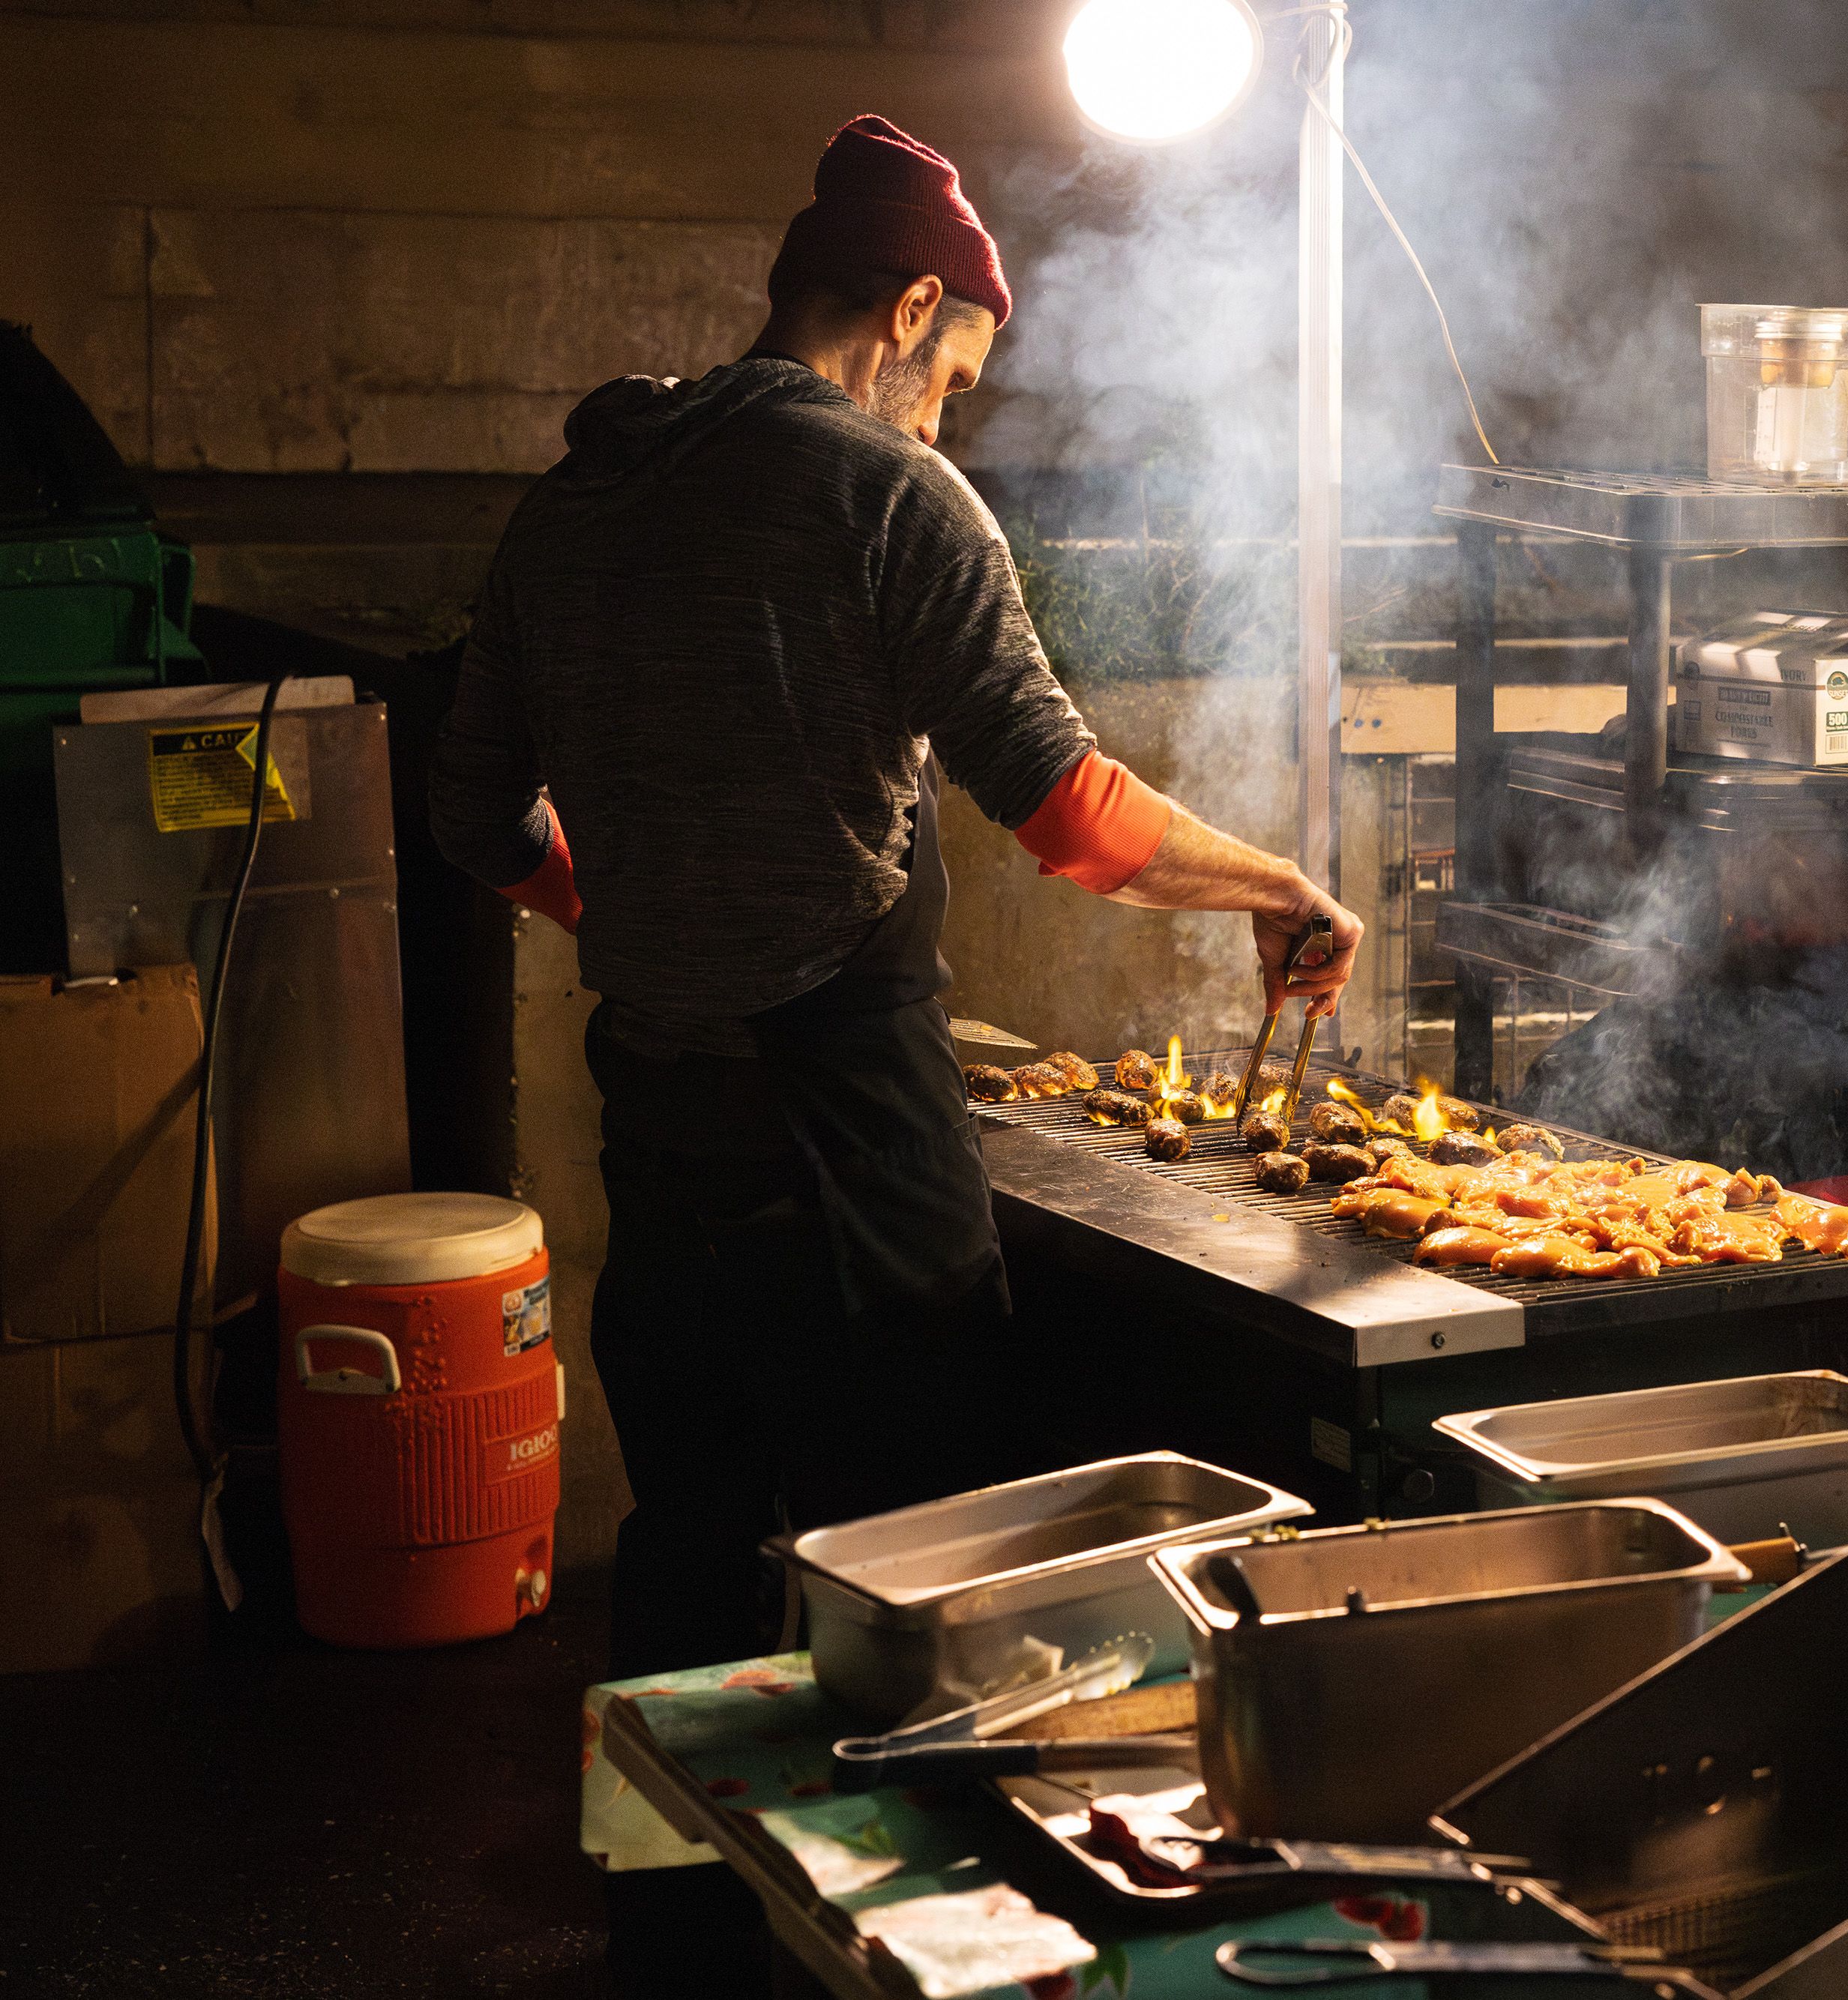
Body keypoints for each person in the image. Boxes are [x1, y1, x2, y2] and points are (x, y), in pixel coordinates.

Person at [431, 115, 1361, 1985]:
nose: (948, 414)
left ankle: (669, 1931)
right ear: (910, 305)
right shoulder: (879, 495)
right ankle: (912, 1953)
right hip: (847, 1142)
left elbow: (475, 821)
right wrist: (1277, 882)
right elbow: (1069, 811)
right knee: (916, 1563)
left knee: (689, 1543)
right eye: (955, 374)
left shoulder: (579, 501)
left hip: (663, 1121)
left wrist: (633, 916)